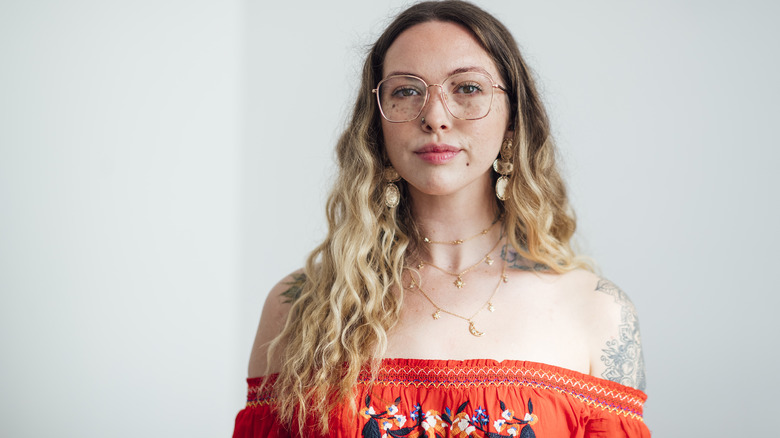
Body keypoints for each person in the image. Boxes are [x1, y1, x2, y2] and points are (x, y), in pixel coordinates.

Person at [233, 1, 649, 436]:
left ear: (513, 121)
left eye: (467, 88)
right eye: (406, 91)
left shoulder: (596, 310)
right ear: (376, 124)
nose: (435, 117)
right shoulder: (300, 306)